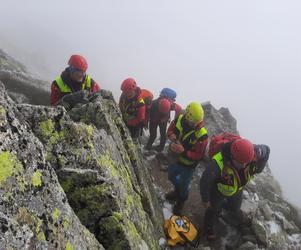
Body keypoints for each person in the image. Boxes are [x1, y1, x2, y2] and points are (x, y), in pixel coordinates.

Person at [200, 139, 270, 241]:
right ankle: (208, 228)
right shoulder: (218, 163)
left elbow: (267, 150)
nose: (244, 165)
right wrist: (205, 200)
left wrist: (260, 161)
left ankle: (222, 209)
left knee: (235, 208)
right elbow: (205, 181)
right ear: (232, 157)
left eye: (247, 162)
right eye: (241, 163)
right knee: (212, 209)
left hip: (237, 190)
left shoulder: (253, 154)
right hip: (218, 191)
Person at [166, 102, 208, 215]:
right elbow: (169, 130)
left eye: (196, 123)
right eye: (192, 122)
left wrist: (183, 151)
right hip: (175, 159)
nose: (195, 125)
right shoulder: (180, 119)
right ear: (187, 116)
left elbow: (199, 155)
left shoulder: (202, 135)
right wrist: (171, 135)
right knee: (171, 176)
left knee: (184, 186)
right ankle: (177, 191)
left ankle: (181, 201)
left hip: (188, 166)